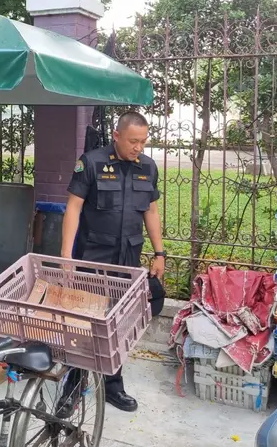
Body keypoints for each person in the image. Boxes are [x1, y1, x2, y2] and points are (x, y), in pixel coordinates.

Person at [58, 111, 166, 414]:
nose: (138, 148)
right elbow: (73, 209)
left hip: (128, 259)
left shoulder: (148, 167)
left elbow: (151, 212)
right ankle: (73, 387)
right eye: (133, 141)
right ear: (117, 136)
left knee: (118, 326)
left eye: (143, 142)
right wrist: (66, 257)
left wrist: (160, 253)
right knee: (85, 324)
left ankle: (112, 386)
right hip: (94, 258)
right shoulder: (91, 163)